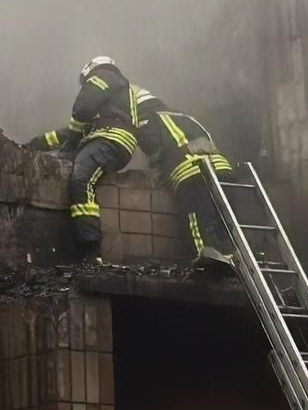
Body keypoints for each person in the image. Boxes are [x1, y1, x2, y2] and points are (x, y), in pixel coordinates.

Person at [27, 56, 156, 261]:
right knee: (64, 160)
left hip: (109, 137)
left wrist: (72, 142)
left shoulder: (104, 75)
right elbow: (70, 133)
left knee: (81, 179)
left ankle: (90, 250)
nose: (85, 85)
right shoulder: (109, 102)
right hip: (106, 138)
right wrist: (34, 145)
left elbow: (81, 109)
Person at [133, 92, 236, 266]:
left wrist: (156, 166)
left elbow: (153, 147)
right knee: (223, 222)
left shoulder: (149, 120)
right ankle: (231, 259)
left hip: (193, 173)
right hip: (221, 169)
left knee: (198, 221)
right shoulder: (186, 117)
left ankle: (208, 262)